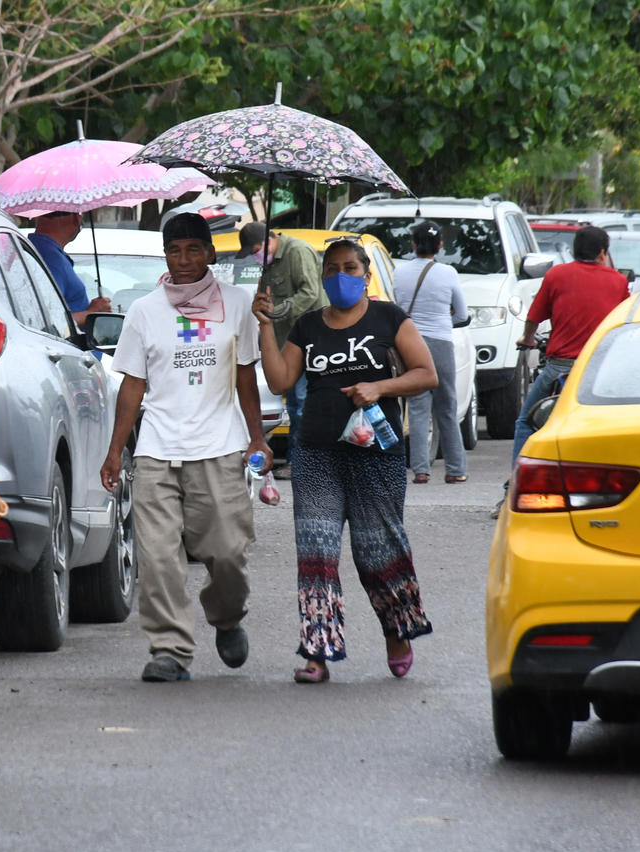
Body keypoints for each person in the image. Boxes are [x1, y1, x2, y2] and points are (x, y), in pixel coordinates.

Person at [255, 238, 437, 684]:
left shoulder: (388, 318)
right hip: (317, 453)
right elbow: (281, 380)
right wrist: (264, 326)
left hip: (376, 454)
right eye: (333, 269)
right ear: (323, 276)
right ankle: (317, 650)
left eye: (350, 267)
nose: (341, 276)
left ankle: (397, 631)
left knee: (377, 551)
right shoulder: (307, 325)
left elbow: (425, 374)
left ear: (366, 274)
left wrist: (379, 387)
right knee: (316, 554)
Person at [100, 212, 271, 683]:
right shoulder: (144, 311)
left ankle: (227, 615)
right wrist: (116, 450)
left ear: (211, 253)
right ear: (165, 256)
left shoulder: (238, 305)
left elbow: (245, 378)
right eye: (175, 251)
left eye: (194, 249)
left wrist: (257, 437)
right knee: (157, 559)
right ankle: (170, 648)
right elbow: (132, 386)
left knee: (228, 553)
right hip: (157, 449)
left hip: (219, 447)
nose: (184, 260)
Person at [496, 226, 629, 519]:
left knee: (526, 423)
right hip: (599, 371)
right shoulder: (619, 282)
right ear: (603, 253)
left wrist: (529, 339)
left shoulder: (557, 275)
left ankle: (512, 491)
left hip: (560, 367)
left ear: (574, 249)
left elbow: (533, 316)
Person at [240, 221, 327, 478]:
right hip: (284, 345)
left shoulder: (297, 251)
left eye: (256, 250)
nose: (256, 257)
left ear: (269, 240)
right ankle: (298, 459)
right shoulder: (268, 264)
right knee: (293, 406)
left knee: (302, 404)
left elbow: (310, 293)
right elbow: (264, 297)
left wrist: (279, 309)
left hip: (309, 343)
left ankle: (302, 463)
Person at [393, 220, 469, 484]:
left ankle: (421, 470)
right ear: (440, 246)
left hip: (410, 343)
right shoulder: (448, 273)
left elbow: (397, 310)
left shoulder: (399, 272)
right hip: (440, 342)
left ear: (413, 245)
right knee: (447, 405)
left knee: (416, 407)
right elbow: (462, 314)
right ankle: (456, 469)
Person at [29, 210, 113, 327]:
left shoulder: (39, 249)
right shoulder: (49, 258)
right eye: (79, 213)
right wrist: (91, 313)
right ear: (75, 218)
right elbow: (47, 321)